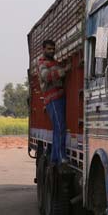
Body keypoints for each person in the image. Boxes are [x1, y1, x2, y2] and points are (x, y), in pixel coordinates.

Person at [38, 39, 71, 170]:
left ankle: (55, 158)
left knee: (58, 129)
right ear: (43, 49)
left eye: (53, 49)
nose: (52, 51)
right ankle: (61, 157)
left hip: (59, 98)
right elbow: (46, 76)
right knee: (60, 127)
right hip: (52, 99)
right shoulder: (42, 63)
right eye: (49, 49)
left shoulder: (54, 63)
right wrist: (64, 71)